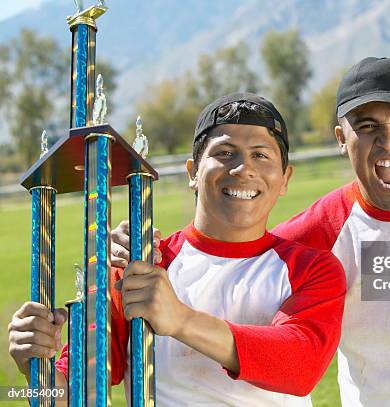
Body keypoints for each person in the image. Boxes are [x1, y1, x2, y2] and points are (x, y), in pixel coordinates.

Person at [109, 57, 390, 406]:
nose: (387, 142)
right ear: (340, 139)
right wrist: (148, 247)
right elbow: (236, 241)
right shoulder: (318, 232)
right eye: (366, 126)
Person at [8, 93, 346, 406]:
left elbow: (300, 367)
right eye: (225, 153)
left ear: (285, 178)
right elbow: (69, 395)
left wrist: (180, 319)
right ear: (193, 173)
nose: (243, 168)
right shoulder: (138, 269)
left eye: (261, 155)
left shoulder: (313, 268)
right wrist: (35, 369)